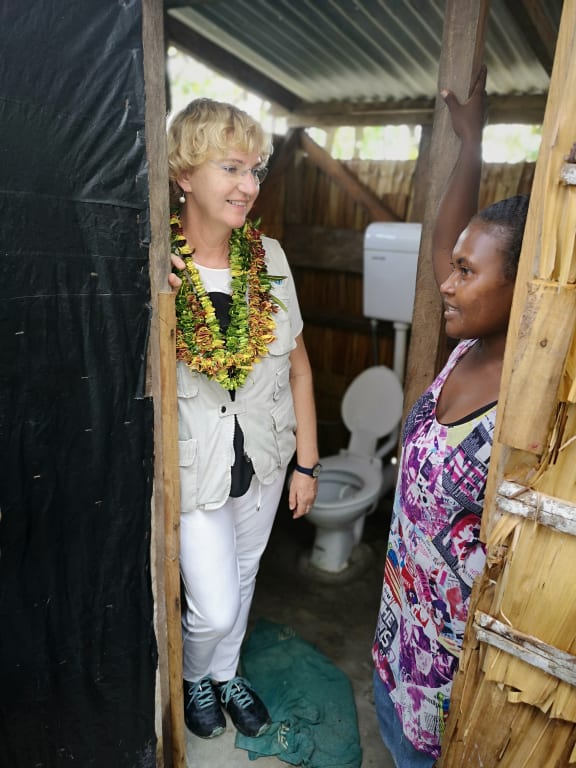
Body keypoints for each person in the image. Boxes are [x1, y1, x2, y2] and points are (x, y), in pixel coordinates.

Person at [372, 65, 530, 766]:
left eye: (468, 272)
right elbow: (445, 244)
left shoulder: (526, 398)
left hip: (446, 670)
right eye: (455, 265)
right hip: (396, 630)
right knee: (385, 734)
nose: (447, 279)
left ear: (523, 287)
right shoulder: (463, 343)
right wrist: (472, 142)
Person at [166, 99, 320, 740]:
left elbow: (300, 369)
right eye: (231, 167)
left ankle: (227, 674)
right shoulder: (155, 266)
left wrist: (308, 463)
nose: (249, 186)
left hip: (264, 455)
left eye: (255, 169)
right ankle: (195, 672)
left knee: (246, 577)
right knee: (213, 604)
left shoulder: (272, 259)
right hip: (194, 466)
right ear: (183, 176)